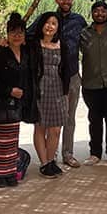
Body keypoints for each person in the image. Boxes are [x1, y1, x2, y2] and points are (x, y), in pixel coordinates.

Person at [27, 0, 87, 168]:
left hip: (71, 75)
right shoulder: (45, 19)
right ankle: (46, 160)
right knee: (43, 121)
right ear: (57, 0)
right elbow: (27, 35)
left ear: (72, 0)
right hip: (45, 79)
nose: (66, 1)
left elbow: (90, 40)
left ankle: (67, 154)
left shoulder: (79, 21)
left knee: (67, 117)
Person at [80, 0, 107, 166]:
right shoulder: (84, 33)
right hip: (91, 85)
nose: (100, 14)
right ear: (92, 14)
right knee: (95, 120)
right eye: (96, 11)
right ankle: (95, 153)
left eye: (103, 11)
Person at [0, 13, 33, 187]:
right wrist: (9, 91)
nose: (17, 35)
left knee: (12, 139)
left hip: (18, 103)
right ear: (7, 34)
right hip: (1, 101)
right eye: (13, 32)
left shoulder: (27, 52)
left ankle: (9, 172)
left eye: (20, 32)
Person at [32, 11, 70, 177]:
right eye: (47, 22)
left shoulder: (63, 45)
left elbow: (67, 69)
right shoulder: (32, 43)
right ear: (41, 25)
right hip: (38, 89)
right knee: (40, 126)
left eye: (54, 23)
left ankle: (50, 160)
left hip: (57, 89)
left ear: (58, 27)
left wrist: (66, 90)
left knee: (55, 129)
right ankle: (45, 163)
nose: (50, 26)